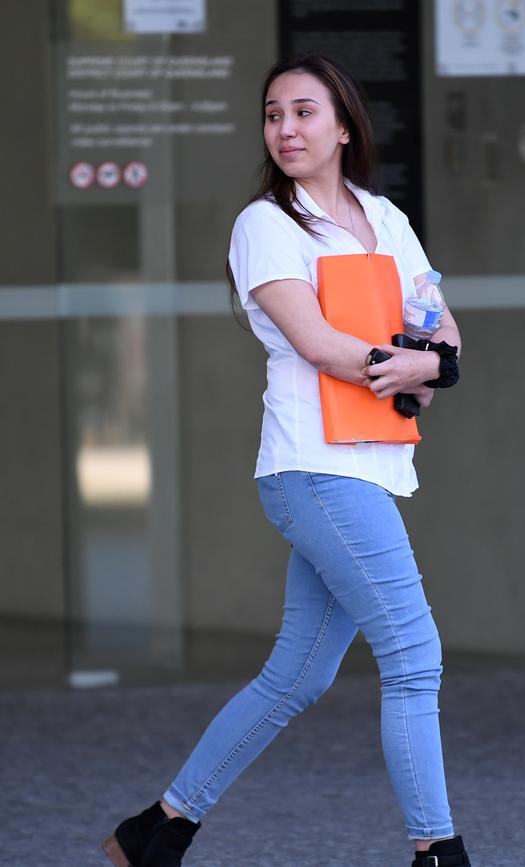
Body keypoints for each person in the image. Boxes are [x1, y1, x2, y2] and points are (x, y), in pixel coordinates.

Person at [102, 54, 471, 867]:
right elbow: (318, 344)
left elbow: (442, 328)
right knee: (415, 660)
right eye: (274, 114)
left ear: (343, 126)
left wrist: (432, 362)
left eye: (304, 112)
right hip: (314, 468)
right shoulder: (266, 224)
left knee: (295, 676)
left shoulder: (385, 217)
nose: (286, 128)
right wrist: (413, 366)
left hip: (373, 464)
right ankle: (437, 851)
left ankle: (157, 829)